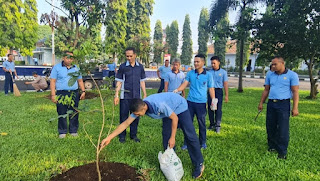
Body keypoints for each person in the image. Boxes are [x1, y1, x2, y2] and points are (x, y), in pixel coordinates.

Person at [100, 93, 205, 179]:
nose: (137, 116)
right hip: (168, 110)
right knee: (166, 135)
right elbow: (126, 123)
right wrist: (109, 137)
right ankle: (170, 161)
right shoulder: (139, 107)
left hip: (179, 105)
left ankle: (199, 163)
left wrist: (173, 137)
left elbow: (175, 119)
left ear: (144, 108)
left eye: (138, 114)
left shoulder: (159, 105)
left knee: (189, 135)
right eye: (135, 114)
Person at [258, 56, 299, 159]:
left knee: (282, 128)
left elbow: (295, 92)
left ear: (282, 63)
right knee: (270, 125)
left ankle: (282, 151)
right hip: (271, 103)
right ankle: (272, 146)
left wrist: (295, 108)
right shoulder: (270, 74)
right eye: (272, 64)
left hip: (283, 104)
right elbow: (266, 90)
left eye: (275, 64)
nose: (273, 66)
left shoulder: (292, 75)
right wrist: (261, 103)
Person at [174, 54, 215, 150]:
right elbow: (184, 84)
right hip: (190, 102)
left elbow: (211, 89)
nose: (195, 63)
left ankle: (202, 142)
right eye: (194, 61)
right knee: (188, 123)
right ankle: (186, 143)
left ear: (203, 62)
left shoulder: (208, 75)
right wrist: (176, 91)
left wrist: (213, 100)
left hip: (201, 103)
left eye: (197, 62)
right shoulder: (190, 73)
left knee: (202, 123)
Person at [114, 47, 147, 143]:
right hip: (125, 97)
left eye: (131, 56)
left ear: (135, 55)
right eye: (127, 56)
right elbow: (119, 81)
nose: (129, 58)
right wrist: (116, 95)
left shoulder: (140, 67)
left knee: (136, 116)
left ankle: (133, 135)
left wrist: (144, 94)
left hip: (137, 97)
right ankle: (122, 136)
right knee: (123, 116)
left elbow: (142, 81)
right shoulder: (123, 67)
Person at [50, 52, 86, 138]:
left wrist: (83, 91)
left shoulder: (76, 68)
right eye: (67, 58)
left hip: (74, 93)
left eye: (71, 58)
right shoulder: (57, 68)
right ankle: (62, 131)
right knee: (61, 111)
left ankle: (73, 130)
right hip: (61, 93)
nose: (69, 60)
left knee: (74, 111)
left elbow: (80, 81)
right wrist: (53, 95)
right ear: (63, 58)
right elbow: (53, 81)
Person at [207, 56, 229, 133]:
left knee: (218, 109)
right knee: (210, 108)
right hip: (210, 91)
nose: (213, 65)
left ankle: (217, 125)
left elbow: (225, 84)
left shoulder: (223, 72)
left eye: (214, 63)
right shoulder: (209, 72)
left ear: (218, 62)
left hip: (218, 92)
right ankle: (211, 124)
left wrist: (226, 95)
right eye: (212, 63)